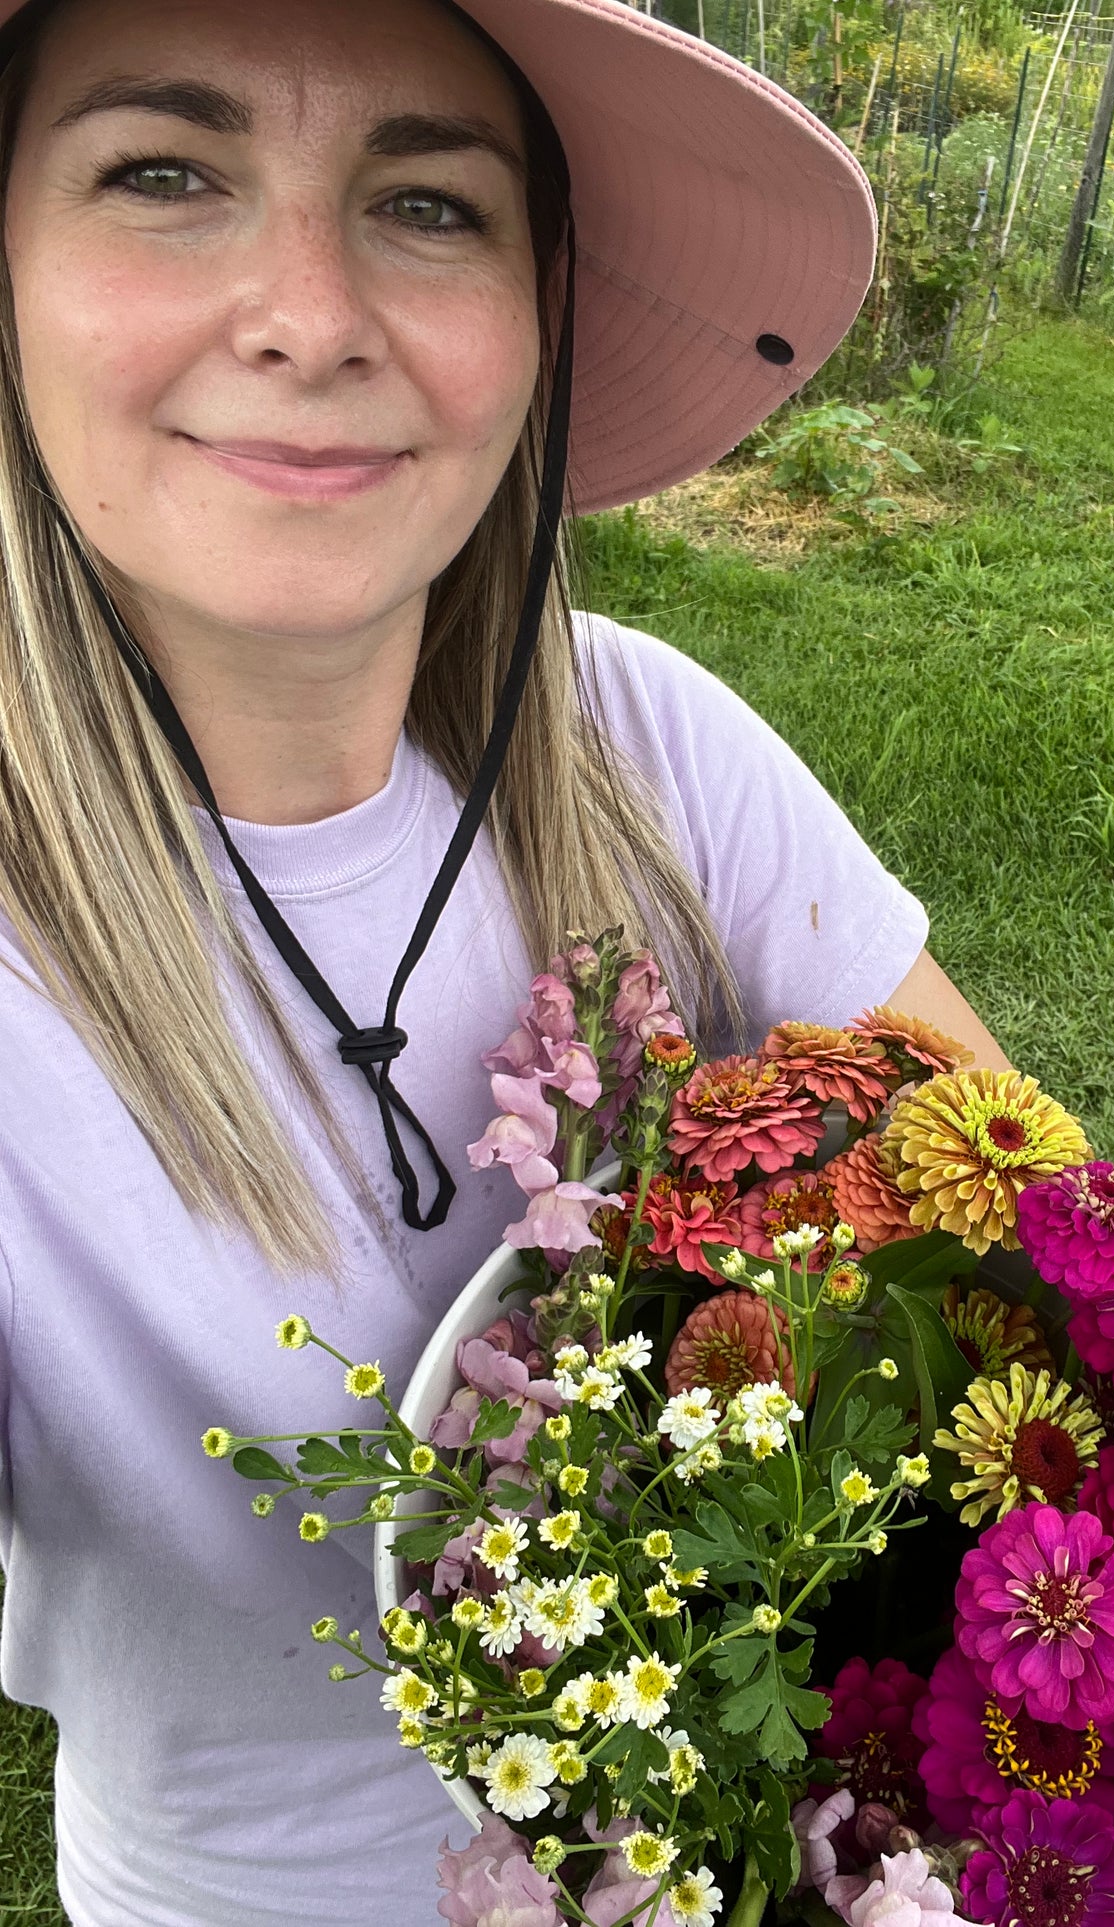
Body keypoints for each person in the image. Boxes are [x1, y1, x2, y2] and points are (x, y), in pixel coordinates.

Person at [0, 0, 1011, 1919]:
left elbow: (1026, 1228)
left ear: (538, 313)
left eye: (428, 205)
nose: (309, 315)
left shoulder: (650, 746)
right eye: (161, 173)